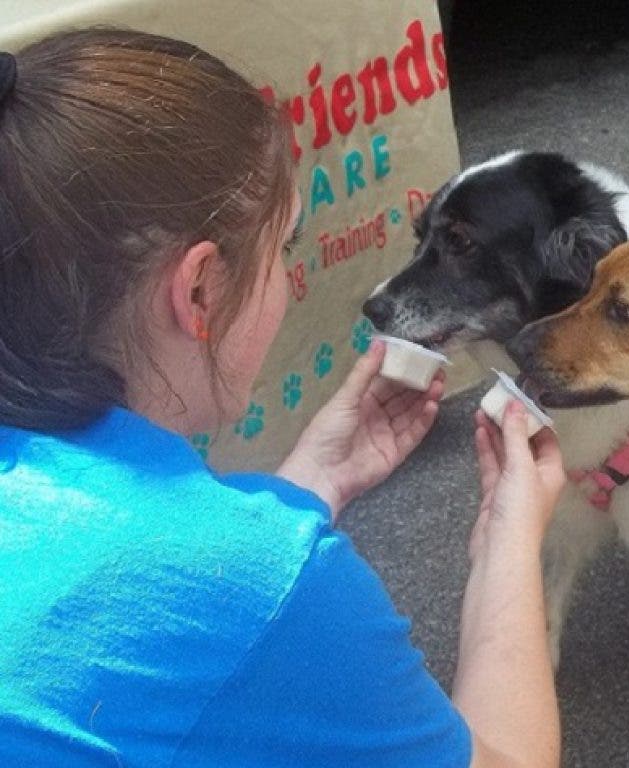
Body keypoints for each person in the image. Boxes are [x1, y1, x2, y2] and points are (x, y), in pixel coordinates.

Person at [0, 30, 565, 768]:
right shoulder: (255, 589)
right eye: (285, 249)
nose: (290, 282)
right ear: (200, 289)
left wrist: (310, 484)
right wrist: (507, 538)